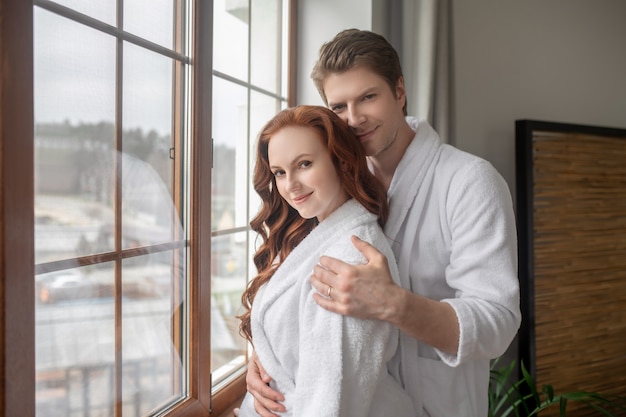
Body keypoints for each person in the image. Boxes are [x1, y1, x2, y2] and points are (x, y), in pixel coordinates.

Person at [242, 29, 521, 417]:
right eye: (339, 106)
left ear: (399, 91)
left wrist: (394, 304)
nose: (354, 119)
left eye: (368, 97)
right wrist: (264, 360)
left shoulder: (470, 181)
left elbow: (498, 321)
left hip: (439, 406)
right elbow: (294, 298)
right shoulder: (333, 186)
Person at [236, 105, 415, 417]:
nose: (290, 185)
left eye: (304, 164)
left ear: (339, 160)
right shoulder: (312, 233)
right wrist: (262, 362)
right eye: (279, 172)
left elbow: (331, 397)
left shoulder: (350, 260)